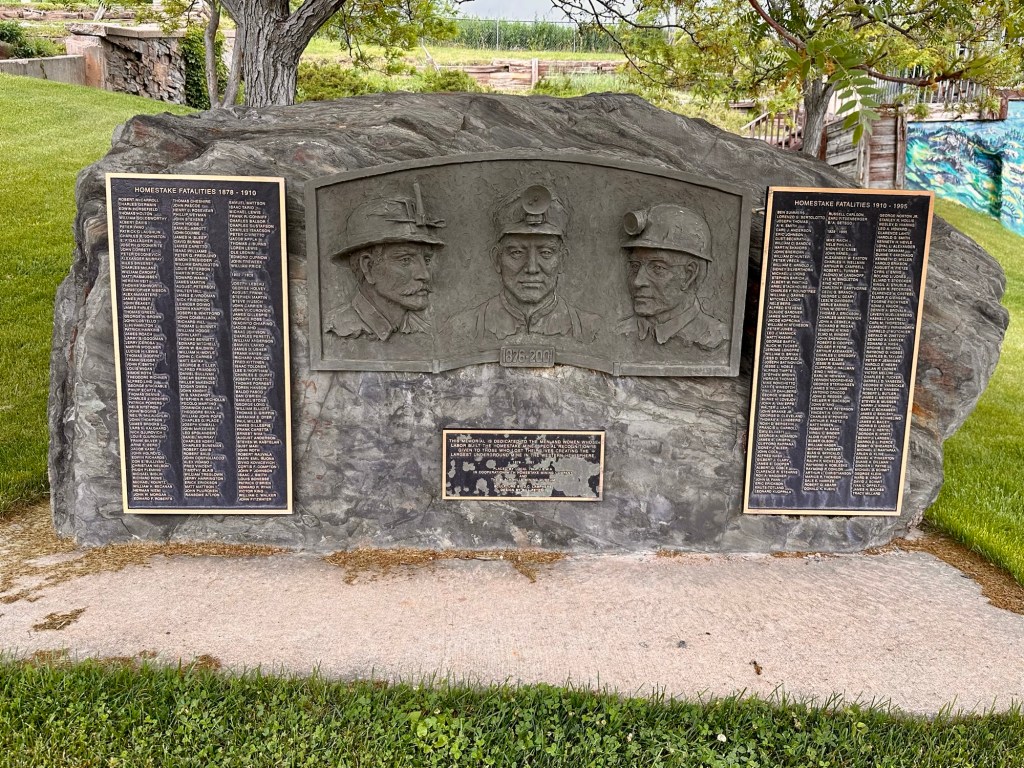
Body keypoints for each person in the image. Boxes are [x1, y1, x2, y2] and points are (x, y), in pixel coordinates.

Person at [447, 184, 600, 342]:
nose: (532, 268)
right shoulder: (460, 330)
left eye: (546, 253)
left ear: (562, 260)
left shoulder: (592, 329)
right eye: (517, 253)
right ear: (497, 259)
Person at [324, 184, 445, 342]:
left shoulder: (428, 331)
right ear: (368, 267)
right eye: (405, 260)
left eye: (427, 260)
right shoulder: (337, 328)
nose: (425, 275)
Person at [615, 204, 728, 350]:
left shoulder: (715, 338)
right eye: (635, 266)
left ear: (689, 275)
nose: (638, 281)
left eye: (658, 267)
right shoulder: (619, 333)